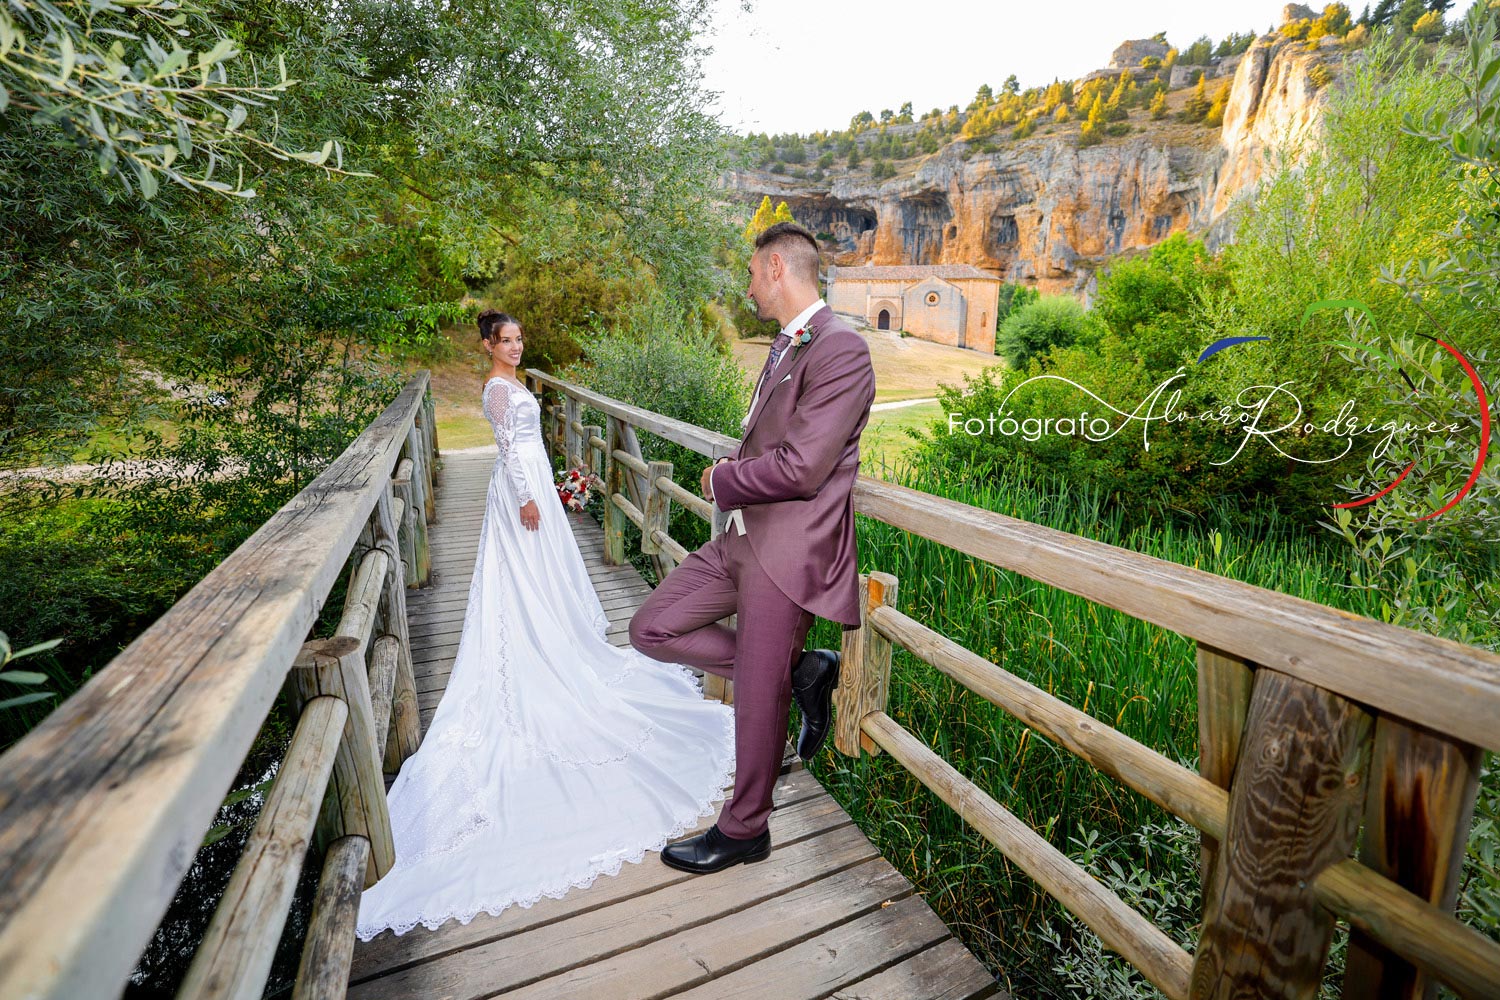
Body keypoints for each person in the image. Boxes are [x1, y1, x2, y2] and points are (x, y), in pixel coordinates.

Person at [355, 311, 735, 940]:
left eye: (519, 339)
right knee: (524, 581)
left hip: (532, 484)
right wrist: (532, 497)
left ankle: (558, 637)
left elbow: (527, 442)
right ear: (487, 346)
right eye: (505, 341)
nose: (515, 346)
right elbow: (509, 450)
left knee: (551, 579)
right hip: (519, 491)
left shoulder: (518, 383)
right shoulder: (497, 389)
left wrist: (546, 489)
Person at [629, 222, 875, 874]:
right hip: (740, 540)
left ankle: (745, 830)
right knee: (651, 627)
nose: (746, 286)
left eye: (748, 273)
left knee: (752, 701)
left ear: (773, 267)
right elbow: (767, 440)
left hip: (787, 550)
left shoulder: (841, 348)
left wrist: (721, 479)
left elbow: (804, 467)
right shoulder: (785, 345)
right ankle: (793, 675)